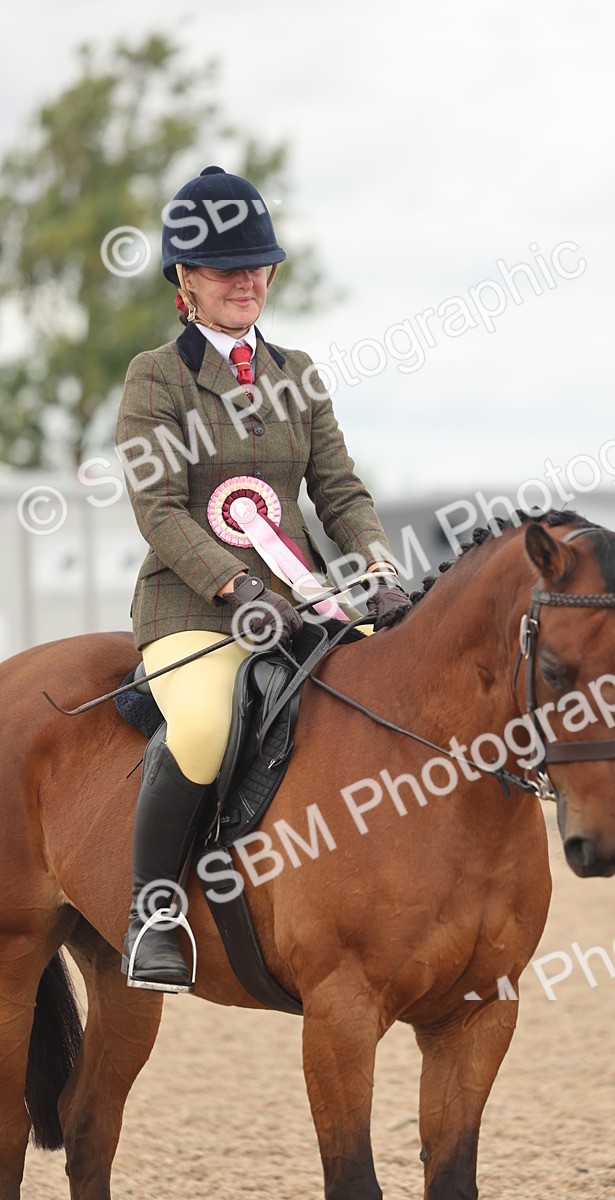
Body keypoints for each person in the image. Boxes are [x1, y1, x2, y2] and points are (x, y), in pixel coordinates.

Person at [115, 165, 409, 993]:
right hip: (195, 608)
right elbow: (160, 509)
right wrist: (232, 588)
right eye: (222, 267)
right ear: (185, 279)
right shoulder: (157, 378)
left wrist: (378, 571)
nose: (244, 281)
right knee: (204, 727)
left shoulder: (299, 374)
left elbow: (340, 492)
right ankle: (155, 915)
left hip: (301, 602)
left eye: (256, 264)